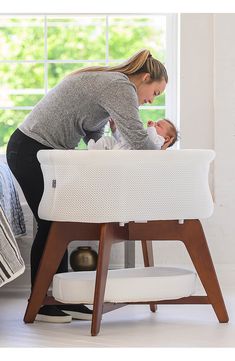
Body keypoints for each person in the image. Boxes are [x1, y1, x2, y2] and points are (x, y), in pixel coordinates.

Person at [6, 49, 172, 323]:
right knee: (51, 222)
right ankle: (41, 302)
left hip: (40, 151)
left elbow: (94, 134)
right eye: (155, 93)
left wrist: (116, 135)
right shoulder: (121, 86)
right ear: (144, 78)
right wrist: (160, 151)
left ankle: (61, 297)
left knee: (59, 221)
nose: (150, 101)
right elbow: (139, 140)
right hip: (31, 149)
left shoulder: (111, 85)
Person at [88, 118, 178, 150]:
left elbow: (154, 142)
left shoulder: (158, 143)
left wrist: (151, 127)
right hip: (121, 146)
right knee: (108, 140)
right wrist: (114, 129)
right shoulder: (144, 135)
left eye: (158, 125)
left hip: (123, 154)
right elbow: (124, 139)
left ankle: (96, 153)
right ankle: (95, 149)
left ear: (166, 139)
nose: (155, 124)